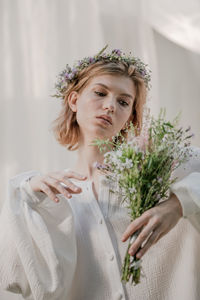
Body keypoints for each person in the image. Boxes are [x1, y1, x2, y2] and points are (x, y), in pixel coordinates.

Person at [0, 45, 200, 300]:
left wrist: (178, 204)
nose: (110, 106)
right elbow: (14, 273)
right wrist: (25, 192)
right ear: (74, 100)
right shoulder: (50, 195)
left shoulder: (158, 172)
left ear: (130, 117)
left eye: (123, 102)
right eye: (100, 93)